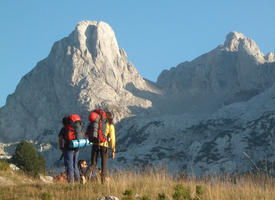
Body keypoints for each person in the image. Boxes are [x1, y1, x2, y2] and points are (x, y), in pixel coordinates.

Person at [86, 111, 116, 184]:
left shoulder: (97, 124)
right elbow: (112, 138)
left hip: (95, 144)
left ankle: (84, 176)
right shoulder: (110, 125)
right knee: (104, 165)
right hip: (104, 146)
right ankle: (103, 182)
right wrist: (113, 150)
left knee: (93, 164)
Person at [58, 116, 80, 183]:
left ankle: (71, 182)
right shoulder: (75, 128)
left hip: (68, 148)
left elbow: (60, 139)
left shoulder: (64, 129)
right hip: (77, 148)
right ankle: (78, 180)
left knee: (69, 165)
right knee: (74, 164)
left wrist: (61, 147)